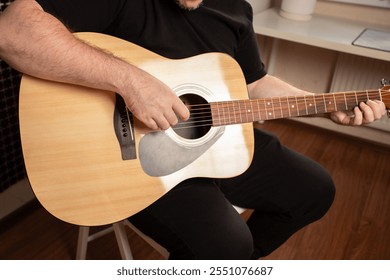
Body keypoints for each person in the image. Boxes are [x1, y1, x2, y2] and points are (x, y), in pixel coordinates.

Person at [0, 0, 386, 259]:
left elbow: (252, 84)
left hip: (220, 137)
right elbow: (12, 31)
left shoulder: (235, 8)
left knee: (315, 189)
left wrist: (327, 106)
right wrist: (131, 82)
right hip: (131, 161)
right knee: (225, 243)